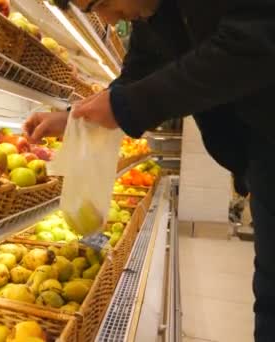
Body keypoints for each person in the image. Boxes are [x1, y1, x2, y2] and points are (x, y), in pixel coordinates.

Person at [24, 0, 275, 340]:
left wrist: (127, 106)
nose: (109, 20)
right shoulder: (154, 13)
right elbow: (138, 73)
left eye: (101, 3)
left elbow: (252, 42)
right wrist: (73, 119)